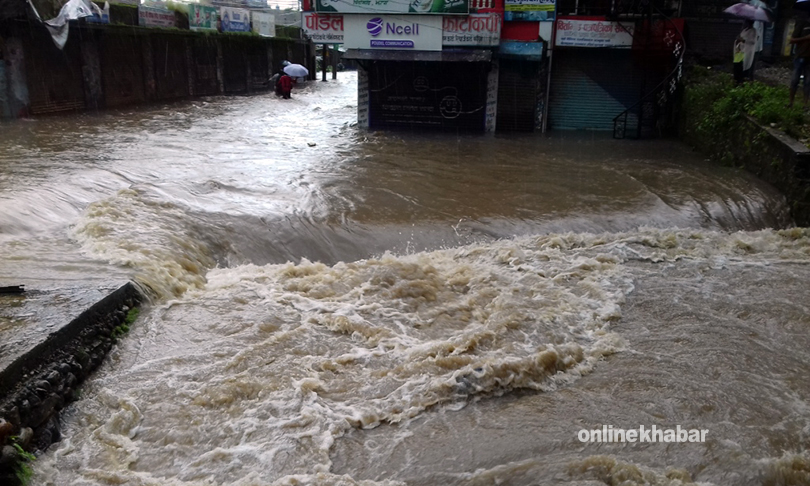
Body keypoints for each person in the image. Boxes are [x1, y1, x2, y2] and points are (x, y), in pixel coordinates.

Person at [789, 14, 810, 108]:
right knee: (794, 80)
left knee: (808, 82)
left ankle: (805, 104)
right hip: (800, 56)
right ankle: (791, 103)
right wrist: (806, 38)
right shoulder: (802, 23)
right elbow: (792, 40)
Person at [734, 20, 757, 84]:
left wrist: (743, 40)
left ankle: (744, 79)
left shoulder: (753, 30)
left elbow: (753, 41)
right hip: (740, 50)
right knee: (738, 64)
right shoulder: (744, 30)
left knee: (745, 65)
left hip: (747, 51)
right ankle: (737, 79)